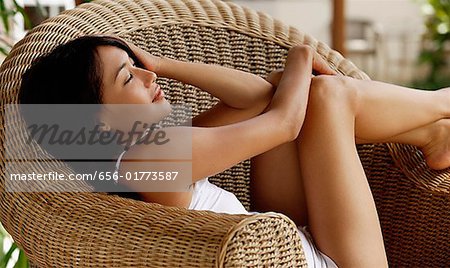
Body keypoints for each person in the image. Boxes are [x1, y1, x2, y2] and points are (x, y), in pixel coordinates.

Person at [18, 35, 450, 267]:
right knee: (330, 95)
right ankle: (442, 104)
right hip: (334, 263)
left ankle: (433, 135)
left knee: (306, 92)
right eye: (128, 79)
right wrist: (301, 57)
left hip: (293, 241)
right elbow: (282, 122)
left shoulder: (137, 162)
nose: (148, 78)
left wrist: (162, 64)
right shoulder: (155, 159)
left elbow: (257, 98)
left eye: (140, 67)